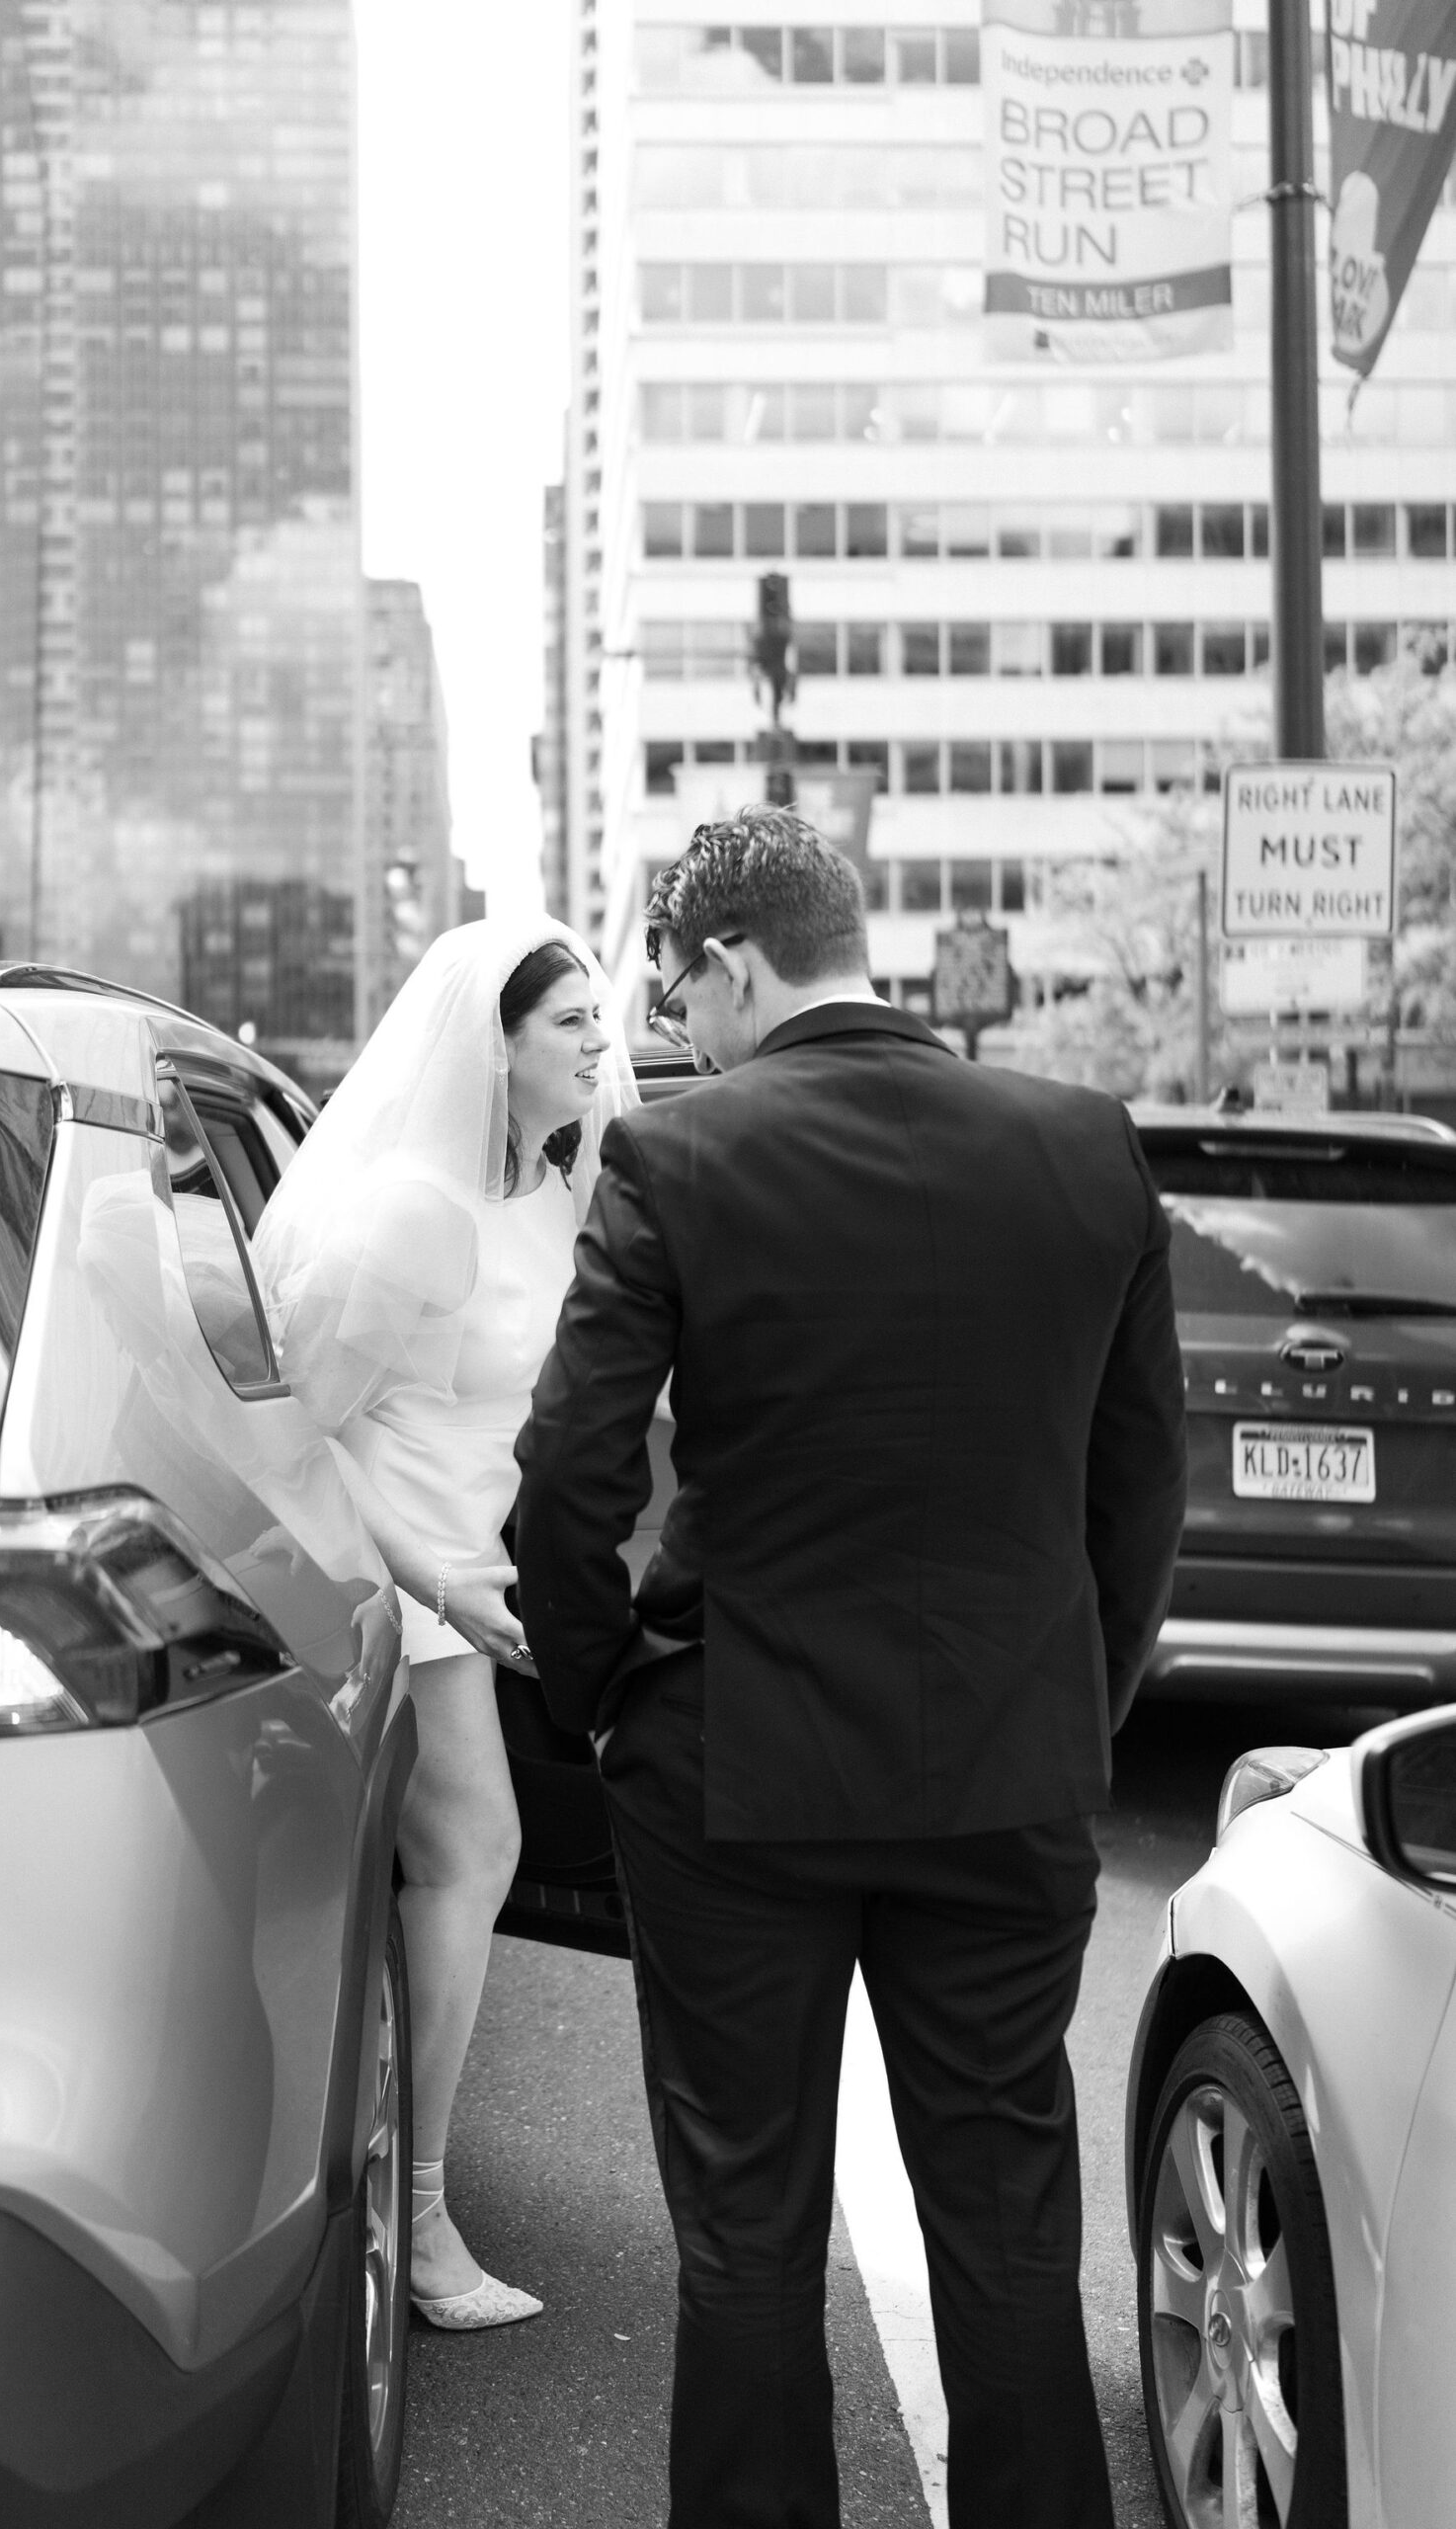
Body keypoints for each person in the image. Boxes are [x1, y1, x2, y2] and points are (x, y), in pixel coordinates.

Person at [513, 810, 1186, 2526]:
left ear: (734, 962)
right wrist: (1071, 1707)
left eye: (677, 988)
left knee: (746, 2233)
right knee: (1014, 2228)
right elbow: (1139, 1496)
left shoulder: (678, 1160)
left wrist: (602, 1700)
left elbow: (570, 1481)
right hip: (1004, 1765)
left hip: (736, 1762)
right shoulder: (1086, 1147)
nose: (676, 1025)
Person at [254, 917, 636, 2328]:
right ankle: (412, 2221)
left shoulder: (544, 1193)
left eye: (602, 1022)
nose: (602, 1047)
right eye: (572, 1028)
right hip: (397, 1581)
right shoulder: (412, 1209)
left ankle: (403, 2199)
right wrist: (431, 1580)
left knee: (469, 1864)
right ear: (497, 1046)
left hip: (476, 1579)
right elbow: (296, 1435)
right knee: (474, 1852)